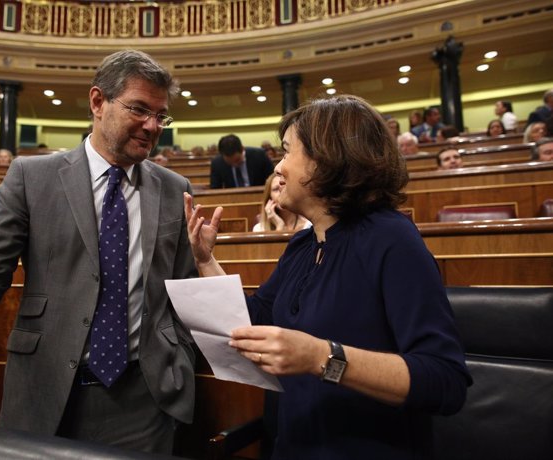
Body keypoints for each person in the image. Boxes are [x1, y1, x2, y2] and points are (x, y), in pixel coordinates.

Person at [0, 49, 197, 455]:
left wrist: (175, 353)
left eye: (160, 115)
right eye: (139, 109)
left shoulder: (174, 188)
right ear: (98, 102)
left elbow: (182, 287)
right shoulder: (32, 177)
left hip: (144, 397)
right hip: (45, 390)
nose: (152, 126)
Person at [184, 94, 471, 458]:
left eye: (287, 152)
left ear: (326, 160)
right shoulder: (304, 244)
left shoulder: (392, 239)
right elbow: (254, 321)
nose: (278, 168)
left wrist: (322, 356)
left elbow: (444, 380)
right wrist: (206, 260)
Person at [209, 134, 274, 188]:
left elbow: (273, 179)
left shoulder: (259, 155)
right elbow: (215, 188)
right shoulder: (217, 163)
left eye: (237, 160)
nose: (235, 165)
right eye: (230, 163)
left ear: (242, 148)